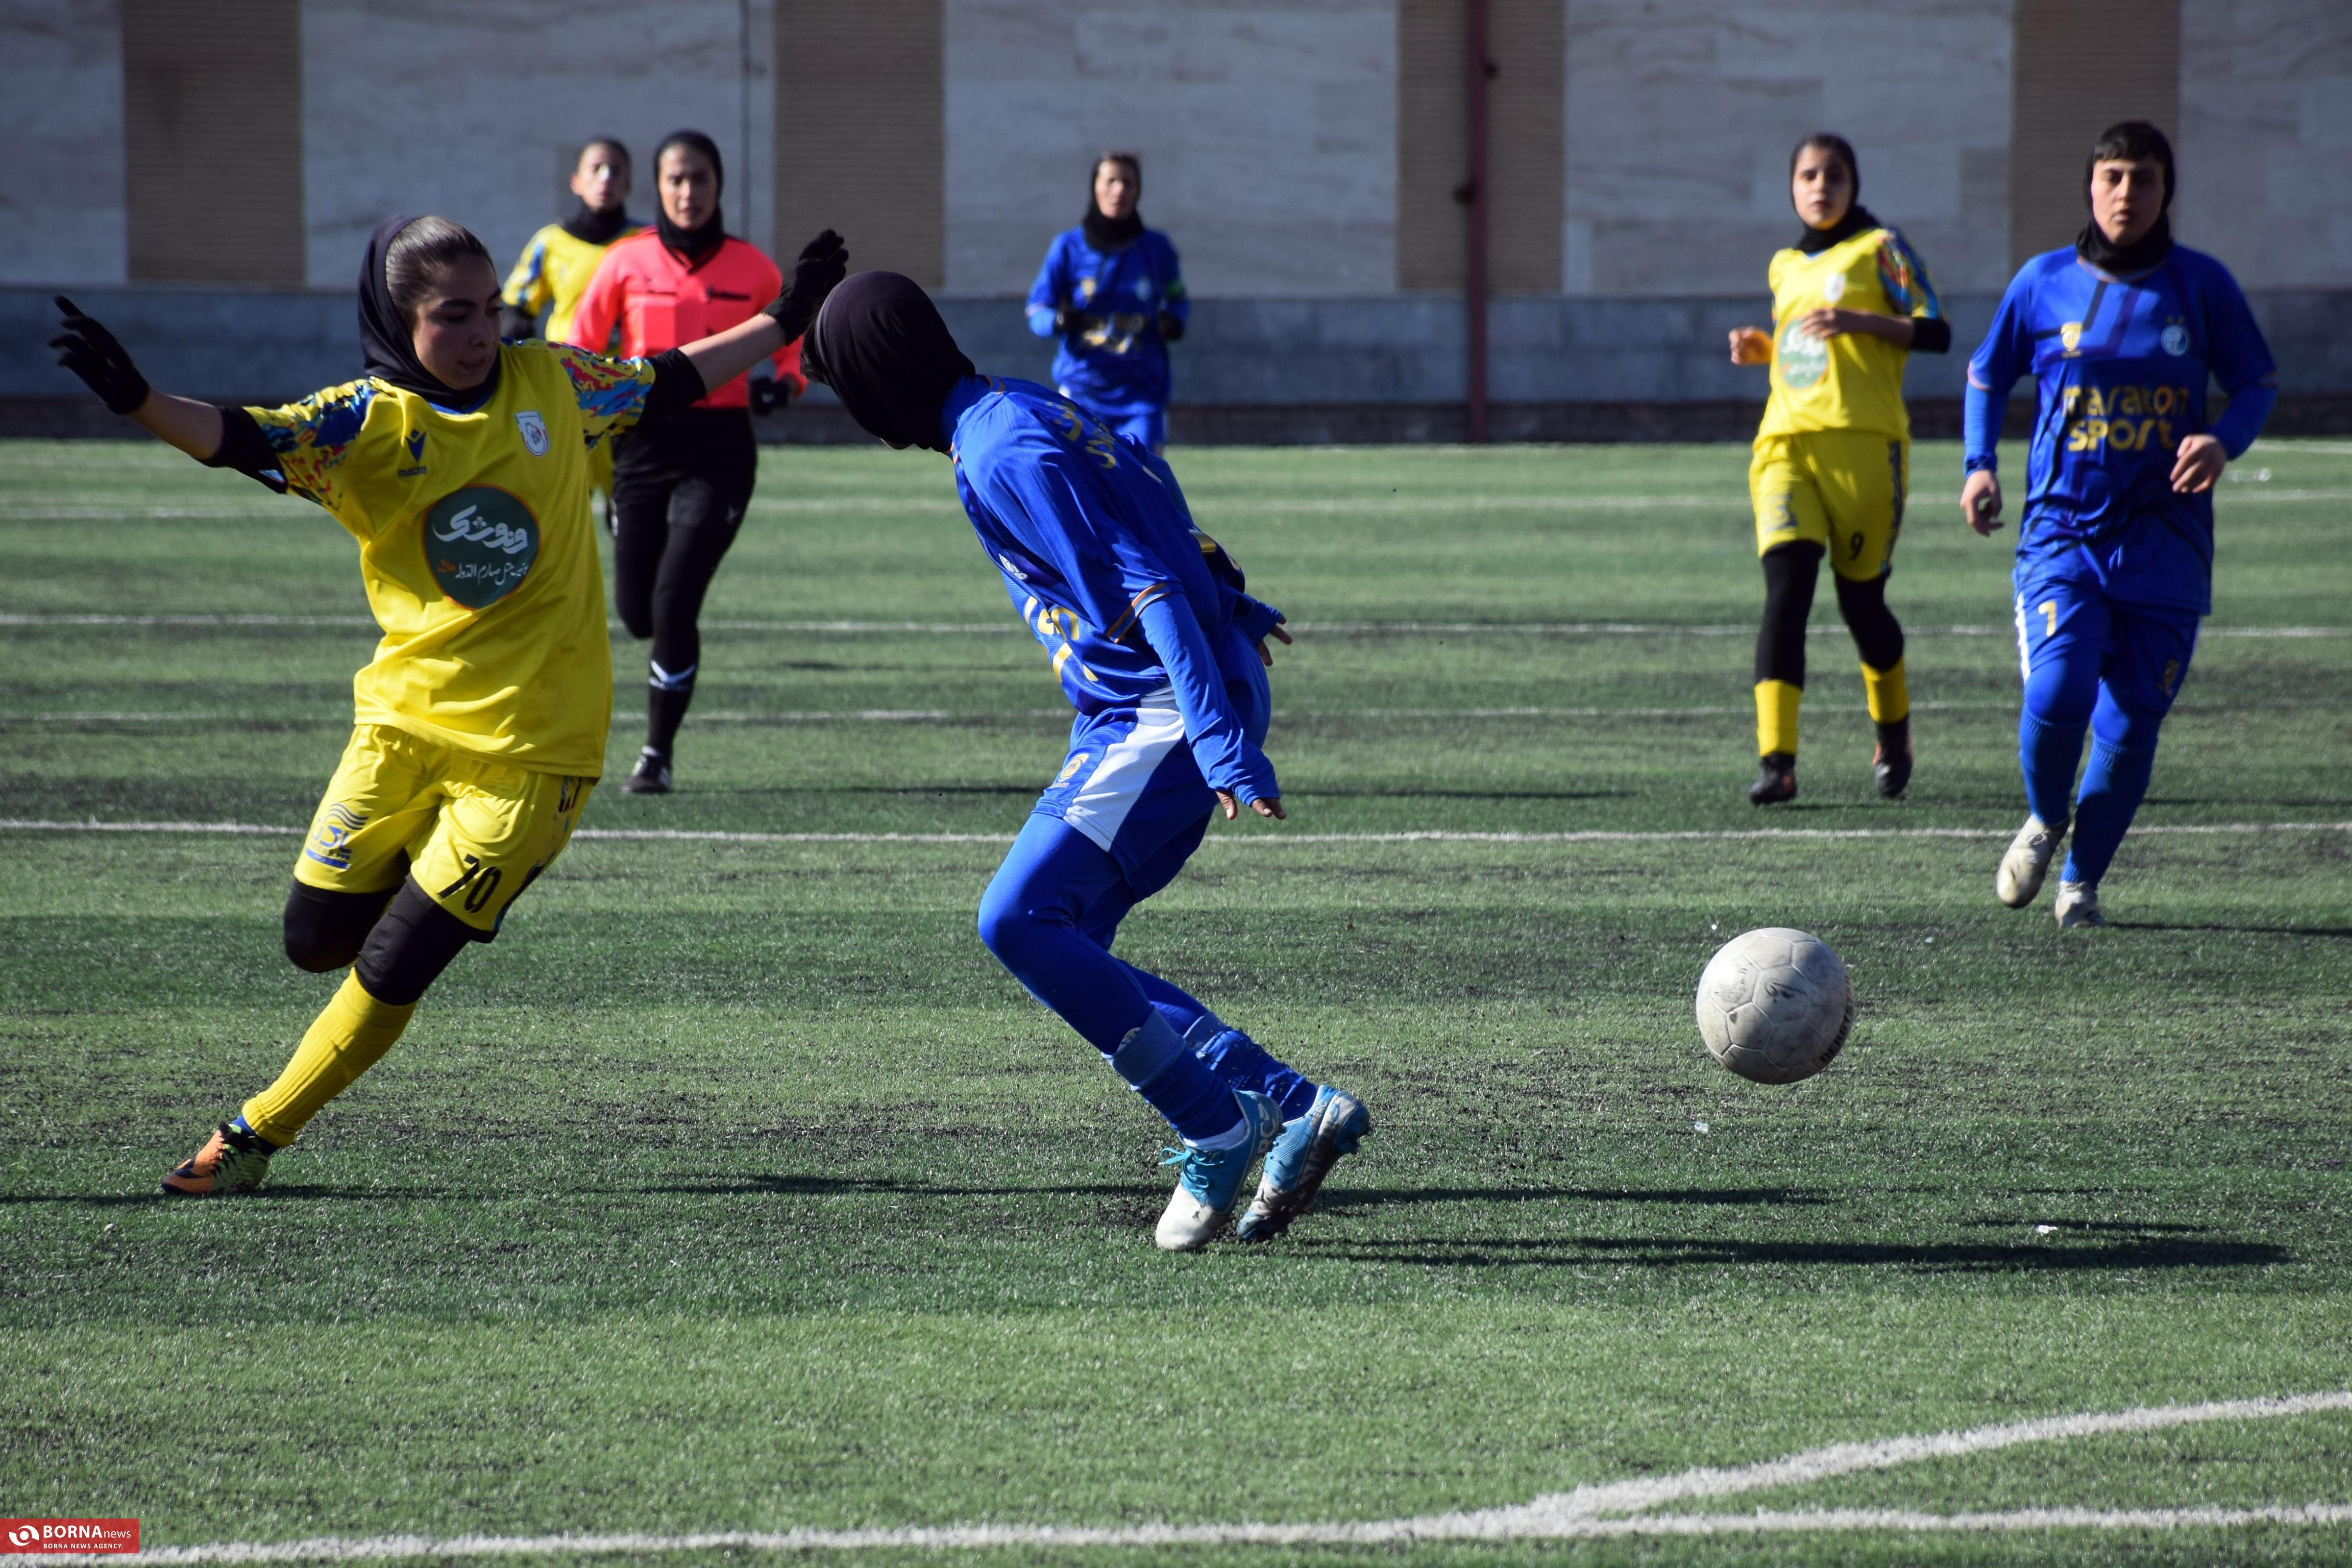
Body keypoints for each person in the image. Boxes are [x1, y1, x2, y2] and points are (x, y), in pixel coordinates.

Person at [47, 218, 847, 1195]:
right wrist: (138, 399)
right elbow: (243, 438)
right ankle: (454, 901)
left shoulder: (552, 381)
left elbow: (670, 375)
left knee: (392, 963)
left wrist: (782, 317)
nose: (482, 333)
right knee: (312, 941)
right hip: (401, 726)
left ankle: (253, 1136)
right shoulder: (363, 424)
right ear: (398, 318)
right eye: (453, 315)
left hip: (532, 752)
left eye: (491, 310)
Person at [804, 270, 1369, 1251]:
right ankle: (1292, 1103)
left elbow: (1146, 585)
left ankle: (1213, 1123)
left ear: (877, 379)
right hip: (1166, 692)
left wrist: (1220, 740)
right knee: (1072, 951)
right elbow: (1152, 495)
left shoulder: (1001, 447)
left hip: (1160, 710)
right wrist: (1235, 604)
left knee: (1016, 919)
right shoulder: (1018, 404)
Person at [1963, 121, 2275, 928]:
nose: (2125, 194)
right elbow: (1988, 374)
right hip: (2064, 534)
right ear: (2089, 187)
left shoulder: (2201, 287)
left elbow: (2255, 383)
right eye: (2111, 177)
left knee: (2134, 722)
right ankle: (2043, 816)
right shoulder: (2042, 282)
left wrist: (2222, 439)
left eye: (2141, 178)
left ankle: (2081, 883)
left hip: (2167, 541)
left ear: (2166, 190)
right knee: (2060, 689)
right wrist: (1978, 463)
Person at [570, 130, 805, 795]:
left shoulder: (754, 268)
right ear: (659, 187)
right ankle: (624, 527)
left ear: (719, 185)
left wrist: (781, 384)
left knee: (674, 606)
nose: (688, 192)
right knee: (638, 614)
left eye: (700, 179)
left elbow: (794, 345)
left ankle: (656, 755)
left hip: (721, 448)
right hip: (641, 441)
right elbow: (582, 343)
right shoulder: (624, 261)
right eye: (675, 179)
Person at [1727, 134, 1949, 806]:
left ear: (1854, 183)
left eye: (1833, 174)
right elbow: (1805, 351)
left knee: (1862, 605)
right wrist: (1764, 349)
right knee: (1785, 596)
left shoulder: (1883, 248)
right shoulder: (1784, 264)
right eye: (1808, 175)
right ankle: (1777, 763)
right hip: (1786, 446)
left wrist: (1860, 321)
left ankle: (1893, 733)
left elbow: (1936, 329)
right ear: (1792, 186)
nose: (1820, 186)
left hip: (1866, 447)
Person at [500, 138, 643, 532]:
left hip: (628, 386)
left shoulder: (646, 244)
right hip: (566, 387)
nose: (606, 178)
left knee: (634, 507)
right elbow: (517, 307)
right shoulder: (550, 242)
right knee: (563, 507)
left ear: (629, 185)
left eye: (616, 170)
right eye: (596, 168)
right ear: (576, 181)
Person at [1025, 152, 1188, 455]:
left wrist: (1175, 321)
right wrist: (1057, 321)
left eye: (1128, 183)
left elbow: (1178, 298)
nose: (1119, 191)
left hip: (1141, 397)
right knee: (1088, 489)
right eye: (1111, 181)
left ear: (1138, 192)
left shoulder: (1156, 249)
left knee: (1142, 483)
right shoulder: (1068, 248)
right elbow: (1037, 310)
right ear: (1095, 188)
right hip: (1083, 394)